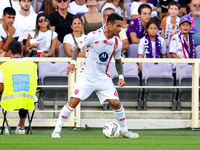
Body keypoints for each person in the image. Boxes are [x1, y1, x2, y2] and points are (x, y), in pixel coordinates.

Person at [51, 13, 139, 139]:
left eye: (121, 26)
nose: (120, 29)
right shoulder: (93, 35)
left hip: (103, 77)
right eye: (118, 26)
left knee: (116, 103)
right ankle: (56, 130)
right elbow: (77, 48)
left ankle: (125, 131)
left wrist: (121, 77)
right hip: (86, 76)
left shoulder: (117, 43)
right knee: (73, 102)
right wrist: (73, 63)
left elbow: (118, 60)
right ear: (109, 25)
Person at [0, 41, 37, 134]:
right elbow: (34, 82)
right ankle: (21, 126)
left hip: (8, 100)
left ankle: (4, 126)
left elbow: (0, 86)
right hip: (29, 100)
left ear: (9, 51)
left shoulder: (4, 66)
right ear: (21, 51)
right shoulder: (32, 65)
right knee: (23, 97)